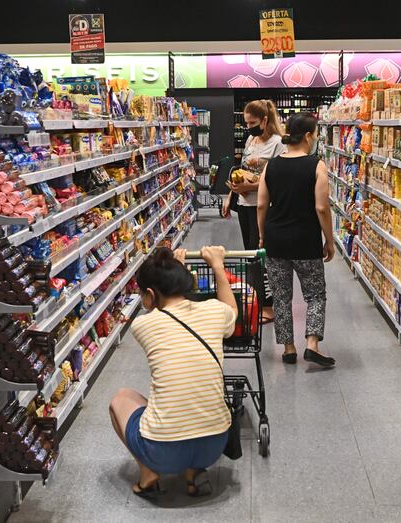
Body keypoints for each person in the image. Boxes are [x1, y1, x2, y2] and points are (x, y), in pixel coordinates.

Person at [108, 246, 237, 498]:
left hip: (162, 450)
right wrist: (217, 266)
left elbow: (164, 313)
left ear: (149, 294)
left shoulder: (143, 325)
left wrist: (173, 269)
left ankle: (148, 473)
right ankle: (194, 473)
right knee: (194, 402)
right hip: (214, 445)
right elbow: (232, 310)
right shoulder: (214, 311)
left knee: (121, 399)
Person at [256, 112, 336, 367]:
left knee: (281, 297)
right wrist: (329, 240)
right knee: (314, 294)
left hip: (276, 240)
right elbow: (322, 208)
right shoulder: (316, 165)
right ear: (310, 135)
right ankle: (312, 344)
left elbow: (261, 204)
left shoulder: (272, 164)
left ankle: (289, 348)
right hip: (305, 241)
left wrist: (261, 235)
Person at [222, 99, 286, 323]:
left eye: (252, 122)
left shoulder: (279, 143)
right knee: (250, 255)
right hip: (245, 205)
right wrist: (231, 195)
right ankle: (257, 299)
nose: (248, 126)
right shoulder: (250, 139)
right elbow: (243, 169)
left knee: (262, 255)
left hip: (265, 208)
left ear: (265, 120)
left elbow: (277, 178)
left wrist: (250, 187)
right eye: (246, 122)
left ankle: (269, 306)